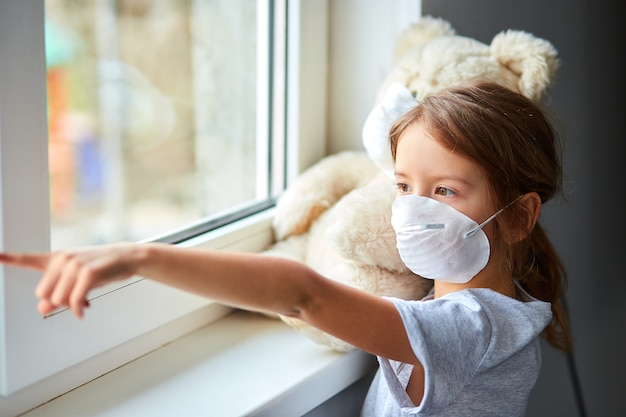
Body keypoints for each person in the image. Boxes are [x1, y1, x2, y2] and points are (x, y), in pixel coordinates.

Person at [0, 81, 571, 416]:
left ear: (519, 216)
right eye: (402, 187)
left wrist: (140, 257)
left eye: (445, 191)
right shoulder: (488, 302)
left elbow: (301, 294)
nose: (413, 210)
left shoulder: (475, 325)